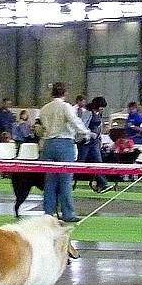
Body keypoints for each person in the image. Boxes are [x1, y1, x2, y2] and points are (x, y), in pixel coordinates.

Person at [38, 82, 91, 222]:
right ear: (65, 93)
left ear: (51, 94)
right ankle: (68, 213)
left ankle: (48, 214)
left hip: (48, 144)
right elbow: (74, 121)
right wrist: (86, 132)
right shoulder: (65, 106)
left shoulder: (44, 109)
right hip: (64, 144)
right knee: (65, 181)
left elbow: (40, 128)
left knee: (49, 181)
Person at [80, 96, 113, 193]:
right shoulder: (87, 113)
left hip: (95, 142)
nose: (102, 109)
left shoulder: (99, 114)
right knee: (80, 162)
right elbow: (82, 125)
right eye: (101, 106)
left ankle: (103, 184)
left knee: (98, 162)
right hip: (86, 142)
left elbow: (99, 126)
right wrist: (90, 133)